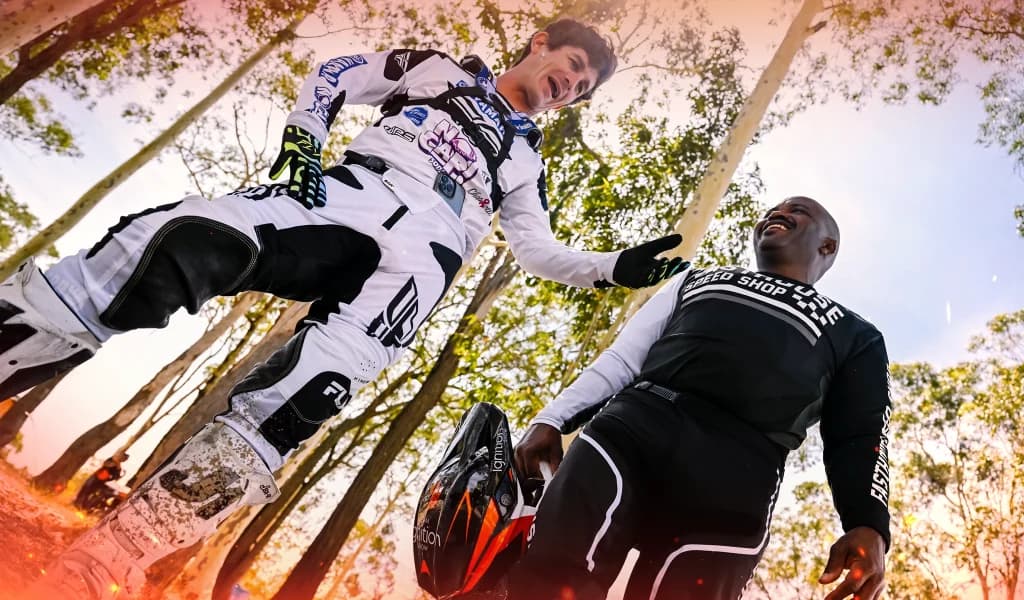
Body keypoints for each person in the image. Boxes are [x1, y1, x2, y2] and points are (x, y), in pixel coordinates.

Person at [0, 18, 687, 599]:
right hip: (350, 193)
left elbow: (538, 250)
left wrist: (610, 268)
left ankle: (105, 565)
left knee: (298, 400)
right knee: (172, 242)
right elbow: (337, 73)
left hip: (417, 272)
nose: (567, 88)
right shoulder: (435, 68)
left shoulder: (524, 163)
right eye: (569, 68)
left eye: (579, 90)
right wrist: (305, 133)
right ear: (539, 44)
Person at [509, 197, 891, 600]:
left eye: (798, 211)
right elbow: (622, 359)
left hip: (739, 480)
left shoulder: (856, 334)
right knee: (550, 578)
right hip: (628, 437)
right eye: (773, 209)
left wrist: (868, 523)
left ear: (827, 246)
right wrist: (552, 418)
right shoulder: (697, 279)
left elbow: (860, 434)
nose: (778, 213)